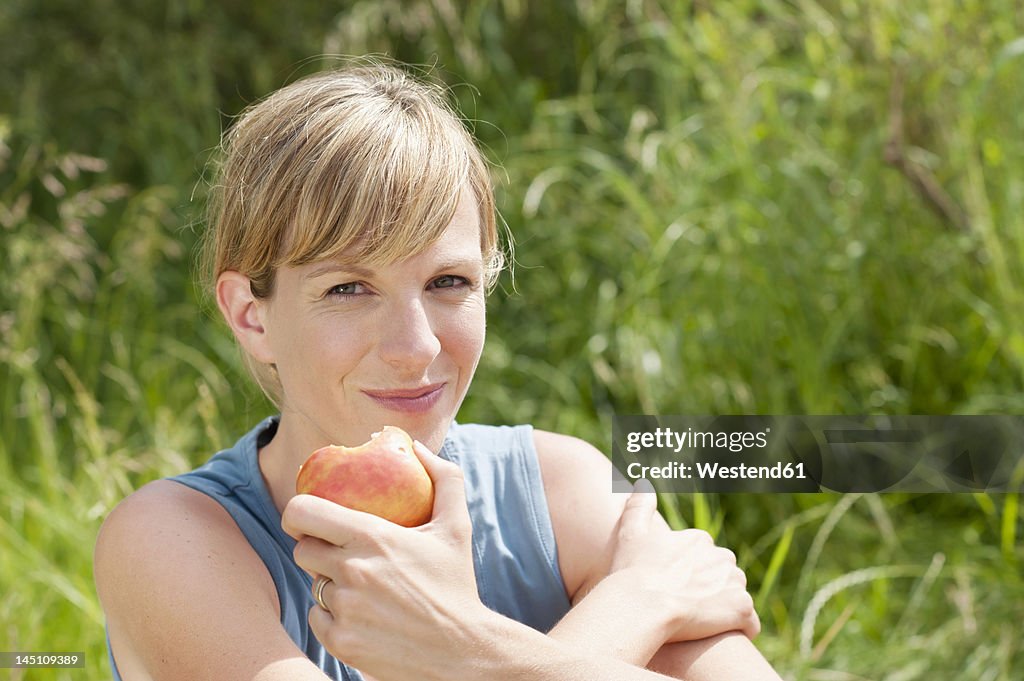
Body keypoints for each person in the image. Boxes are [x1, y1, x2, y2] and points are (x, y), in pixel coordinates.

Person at [94, 59, 783, 681]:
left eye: (449, 280)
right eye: (348, 288)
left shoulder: (562, 492)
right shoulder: (173, 541)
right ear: (251, 314)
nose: (417, 345)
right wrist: (629, 608)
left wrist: (466, 649)